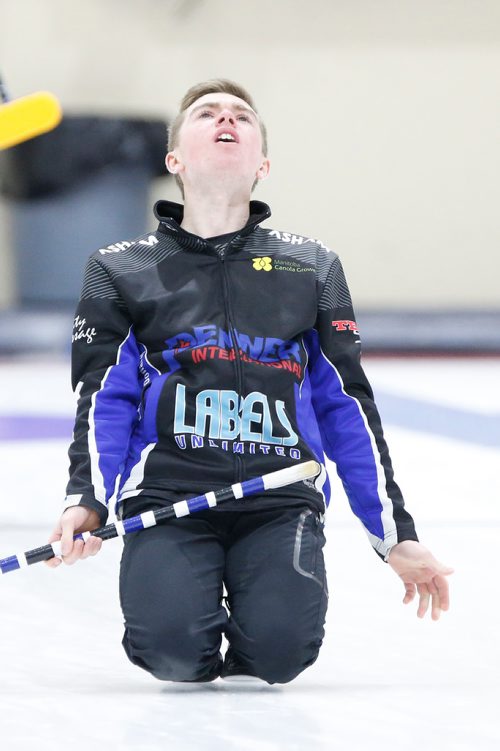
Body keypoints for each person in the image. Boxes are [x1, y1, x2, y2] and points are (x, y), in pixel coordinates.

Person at [47, 79, 453, 684]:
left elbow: (347, 406)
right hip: (168, 497)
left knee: (281, 655)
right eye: (207, 113)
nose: (225, 119)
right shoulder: (119, 268)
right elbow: (104, 397)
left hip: (280, 496)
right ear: (174, 159)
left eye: (242, 115)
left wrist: (393, 534)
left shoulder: (312, 266)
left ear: (262, 162)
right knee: (172, 654)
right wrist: (88, 497)